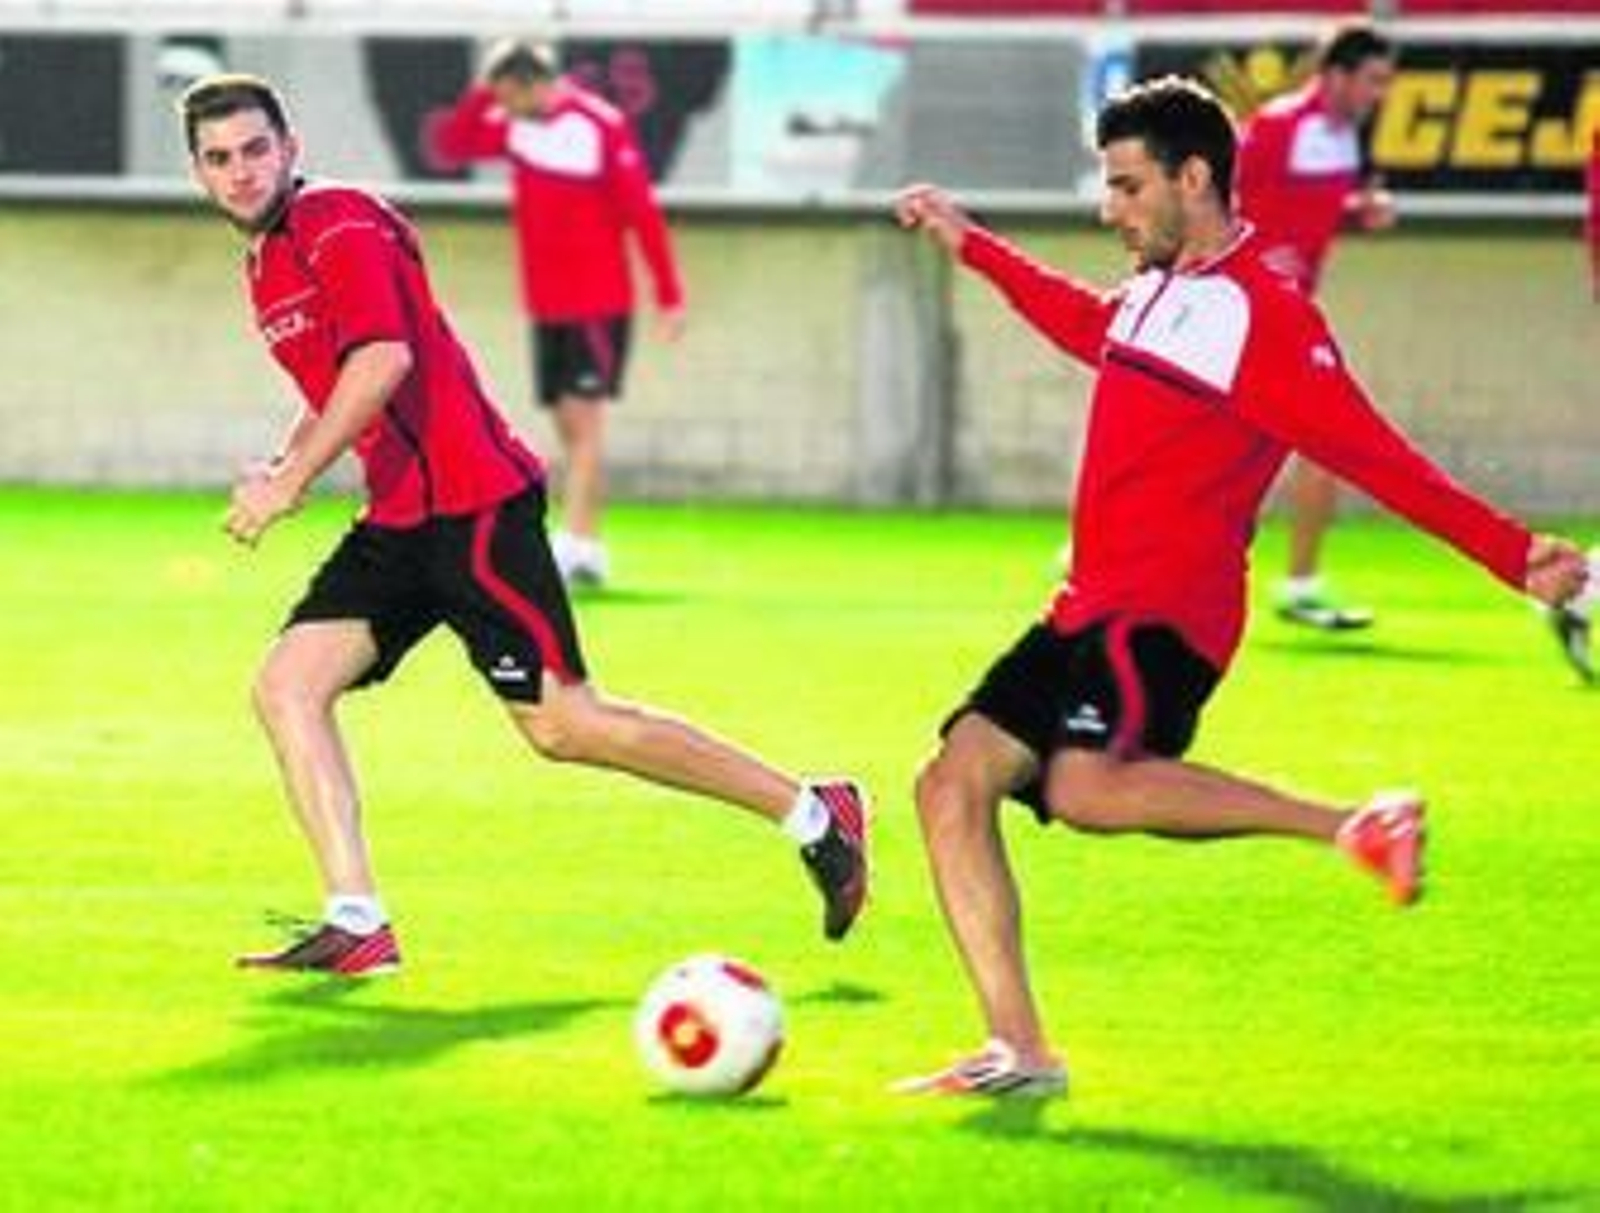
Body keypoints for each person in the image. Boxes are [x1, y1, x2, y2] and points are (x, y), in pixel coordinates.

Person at [892, 76, 1588, 1097]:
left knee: (1084, 787)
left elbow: (1371, 453)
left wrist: (1513, 554)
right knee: (950, 785)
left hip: (1167, 612)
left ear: (1194, 178)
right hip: (1086, 605)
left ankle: (1355, 823)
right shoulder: (1159, 287)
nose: (1111, 209)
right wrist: (973, 245)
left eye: (1128, 187)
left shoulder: (1267, 316)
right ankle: (1020, 1050)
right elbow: (1088, 325)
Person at [179, 73, 866, 977]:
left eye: (254, 149)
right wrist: (286, 462)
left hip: (473, 506)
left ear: (290, 148)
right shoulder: (265, 260)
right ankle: (358, 920)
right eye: (218, 158)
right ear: (197, 171)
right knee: (287, 686)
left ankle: (814, 811)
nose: (239, 172)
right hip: (400, 518)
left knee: (566, 725)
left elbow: (382, 357)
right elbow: (336, 378)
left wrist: (292, 480)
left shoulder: (336, 220)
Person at [430, 39, 686, 588]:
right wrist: (484, 92)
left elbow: (642, 211)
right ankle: (588, 546)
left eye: (508, 96)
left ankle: (574, 543)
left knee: (584, 420)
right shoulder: (516, 126)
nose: (503, 108)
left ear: (534, 84)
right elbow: (452, 144)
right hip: (545, 303)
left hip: (598, 301)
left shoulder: (600, 125)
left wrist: (668, 293)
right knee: (568, 425)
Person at [1235, 22, 1398, 631]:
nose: (1380, 94)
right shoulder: (1277, 127)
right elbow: (1213, 201)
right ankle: (1300, 585)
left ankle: (1301, 583)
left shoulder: (1347, 139)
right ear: (1336, 76)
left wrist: (1359, 213)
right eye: (1373, 80)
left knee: (1318, 443)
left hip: (1290, 313)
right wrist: (1257, 255)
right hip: (1247, 312)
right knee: (1326, 438)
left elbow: (1313, 213)